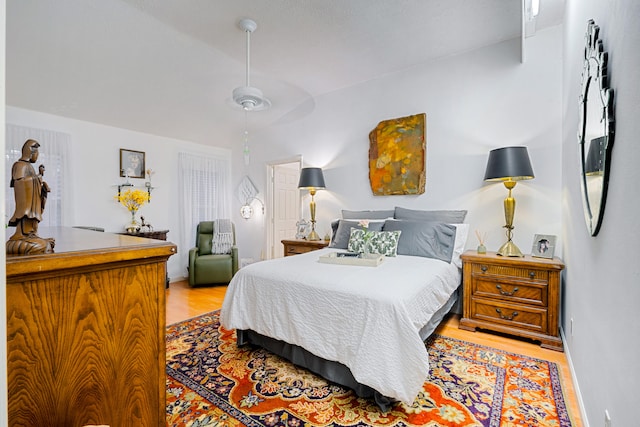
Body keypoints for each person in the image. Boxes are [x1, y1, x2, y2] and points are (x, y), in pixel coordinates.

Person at [7, 139, 55, 254]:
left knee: (41, 241)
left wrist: (42, 186)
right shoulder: (19, 165)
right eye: (36, 154)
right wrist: (38, 178)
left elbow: (33, 181)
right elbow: (20, 183)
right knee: (40, 244)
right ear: (30, 153)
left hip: (33, 203)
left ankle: (33, 236)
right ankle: (24, 236)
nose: (37, 157)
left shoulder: (29, 166)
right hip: (26, 206)